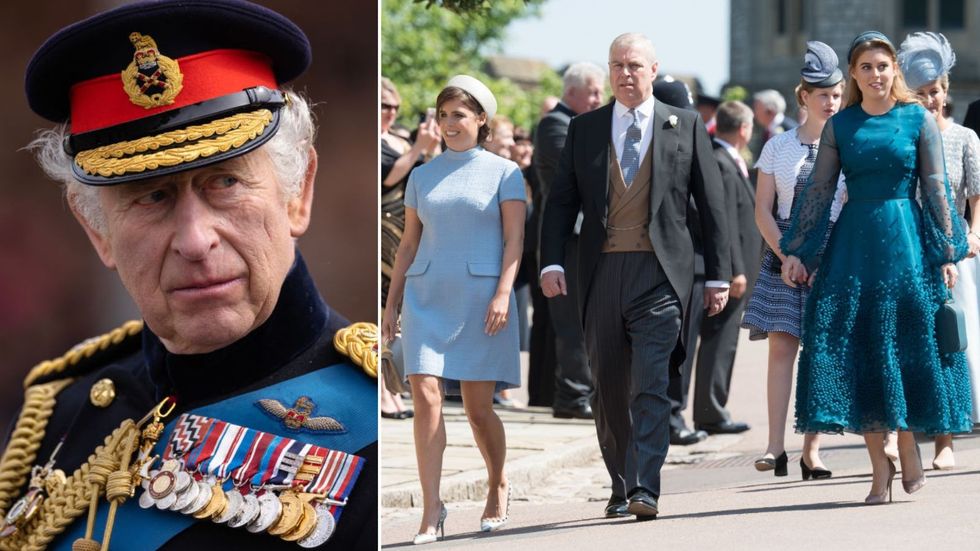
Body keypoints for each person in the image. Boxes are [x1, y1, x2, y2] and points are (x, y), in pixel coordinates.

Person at [0, 1, 378, 549]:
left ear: (299, 193)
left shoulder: (372, 426)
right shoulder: (59, 411)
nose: (195, 240)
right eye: (152, 197)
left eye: (225, 183)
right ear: (97, 230)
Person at [540, 33, 731, 520]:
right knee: (607, 384)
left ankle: (647, 486)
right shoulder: (586, 128)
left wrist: (719, 275)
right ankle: (619, 483)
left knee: (650, 380)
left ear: (653, 69)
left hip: (662, 273)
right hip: (601, 270)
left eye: (634, 65)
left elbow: (711, 205)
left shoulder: (684, 125)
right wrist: (551, 261)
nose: (625, 74)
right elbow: (561, 200)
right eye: (617, 65)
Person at [780, 31, 972, 505]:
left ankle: (906, 440)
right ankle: (877, 470)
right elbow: (819, 192)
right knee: (857, 348)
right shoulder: (841, 126)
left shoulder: (916, 119)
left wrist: (947, 251)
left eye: (883, 66)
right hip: (853, 247)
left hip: (906, 244)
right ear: (853, 74)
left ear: (894, 70)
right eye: (866, 67)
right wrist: (797, 252)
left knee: (906, 344)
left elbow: (935, 188)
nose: (875, 75)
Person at [381, 75, 526, 543]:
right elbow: (407, 245)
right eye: (442, 116)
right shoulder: (422, 174)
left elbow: (514, 240)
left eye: (458, 115)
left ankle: (498, 484)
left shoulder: (506, 173)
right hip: (427, 299)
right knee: (424, 399)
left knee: (480, 410)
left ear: (481, 119)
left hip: (482, 302)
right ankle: (431, 509)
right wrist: (391, 303)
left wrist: (504, 292)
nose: (448, 124)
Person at [742, 41, 847, 479]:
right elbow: (762, 209)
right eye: (822, 93)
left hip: (834, 255)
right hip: (783, 259)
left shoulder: (850, 144)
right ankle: (774, 446)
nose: (830, 101)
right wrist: (788, 255)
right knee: (782, 350)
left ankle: (812, 449)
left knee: (821, 352)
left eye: (837, 93)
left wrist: (826, 255)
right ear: (803, 96)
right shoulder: (778, 147)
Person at [899, 31, 980, 470]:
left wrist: (972, 237)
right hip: (911, 249)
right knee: (915, 343)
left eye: (935, 92)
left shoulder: (965, 137)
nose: (930, 100)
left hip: (956, 251)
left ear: (946, 92)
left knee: (953, 342)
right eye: (922, 93)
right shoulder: (905, 136)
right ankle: (914, 432)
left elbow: (976, 196)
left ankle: (948, 438)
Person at [534, 61, 605, 420]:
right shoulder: (555, 125)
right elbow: (580, 174)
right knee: (572, 322)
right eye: (592, 91)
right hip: (566, 239)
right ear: (571, 92)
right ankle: (572, 396)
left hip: (585, 237)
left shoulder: (580, 125)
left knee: (585, 319)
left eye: (599, 92)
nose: (598, 99)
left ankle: (579, 392)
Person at [691, 100, 762, 435]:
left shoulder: (729, 160)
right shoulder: (720, 161)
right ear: (744, 129)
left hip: (735, 269)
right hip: (730, 272)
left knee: (725, 342)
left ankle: (714, 408)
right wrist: (733, 269)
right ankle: (711, 412)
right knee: (719, 342)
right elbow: (724, 222)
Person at [652, 77, 709, 446]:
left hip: (691, 262)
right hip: (678, 261)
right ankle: (671, 415)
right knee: (673, 347)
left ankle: (673, 413)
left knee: (680, 346)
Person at [749, 89, 798, 163]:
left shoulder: (792, 130)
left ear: (770, 110)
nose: (754, 114)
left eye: (757, 109)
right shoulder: (766, 130)